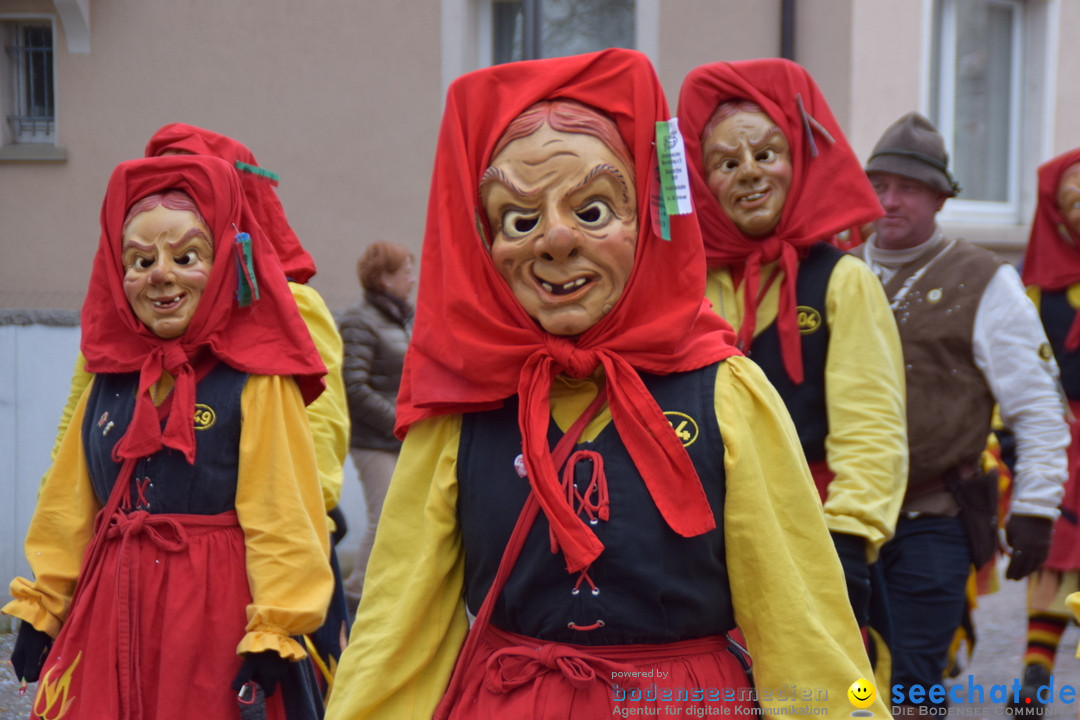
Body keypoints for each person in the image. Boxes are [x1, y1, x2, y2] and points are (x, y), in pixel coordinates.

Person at [324, 48, 887, 720]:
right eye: (520, 220)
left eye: (592, 210)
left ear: (645, 221)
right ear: (484, 244)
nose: (556, 240)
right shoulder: (462, 413)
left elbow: (805, 630)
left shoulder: (729, 392)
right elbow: (395, 629)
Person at [4, 155, 334, 719]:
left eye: (187, 257)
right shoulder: (108, 380)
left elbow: (283, 515)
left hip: (213, 616)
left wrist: (278, 623)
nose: (162, 275)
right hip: (112, 608)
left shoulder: (255, 381)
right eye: (141, 259)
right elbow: (69, 505)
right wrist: (45, 606)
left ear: (225, 261)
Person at [676, 59, 908, 642]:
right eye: (727, 164)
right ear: (704, 183)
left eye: (766, 154)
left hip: (813, 533)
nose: (749, 173)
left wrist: (849, 538)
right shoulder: (680, 286)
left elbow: (871, 423)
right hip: (699, 540)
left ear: (797, 161)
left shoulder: (844, 282)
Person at [852, 112, 1069, 707]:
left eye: (910, 189)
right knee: (842, 678)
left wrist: (1035, 506)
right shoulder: (833, 268)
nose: (890, 201)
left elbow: (1036, 405)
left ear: (941, 199)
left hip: (935, 517)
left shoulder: (984, 279)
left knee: (912, 684)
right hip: (839, 520)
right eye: (879, 185)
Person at [1008, 147, 1080, 709]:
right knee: (1056, 555)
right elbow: (1024, 371)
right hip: (1066, 437)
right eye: (1072, 199)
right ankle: (1036, 673)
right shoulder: (1034, 295)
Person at [338, 241, 414, 610]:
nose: (411, 280)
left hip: (400, 435)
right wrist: (398, 420)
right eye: (405, 273)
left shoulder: (397, 318)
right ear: (385, 278)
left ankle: (386, 591)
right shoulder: (359, 320)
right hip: (373, 439)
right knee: (383, 515)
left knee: (401, 517)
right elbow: (352, 385)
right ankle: (355, 595)